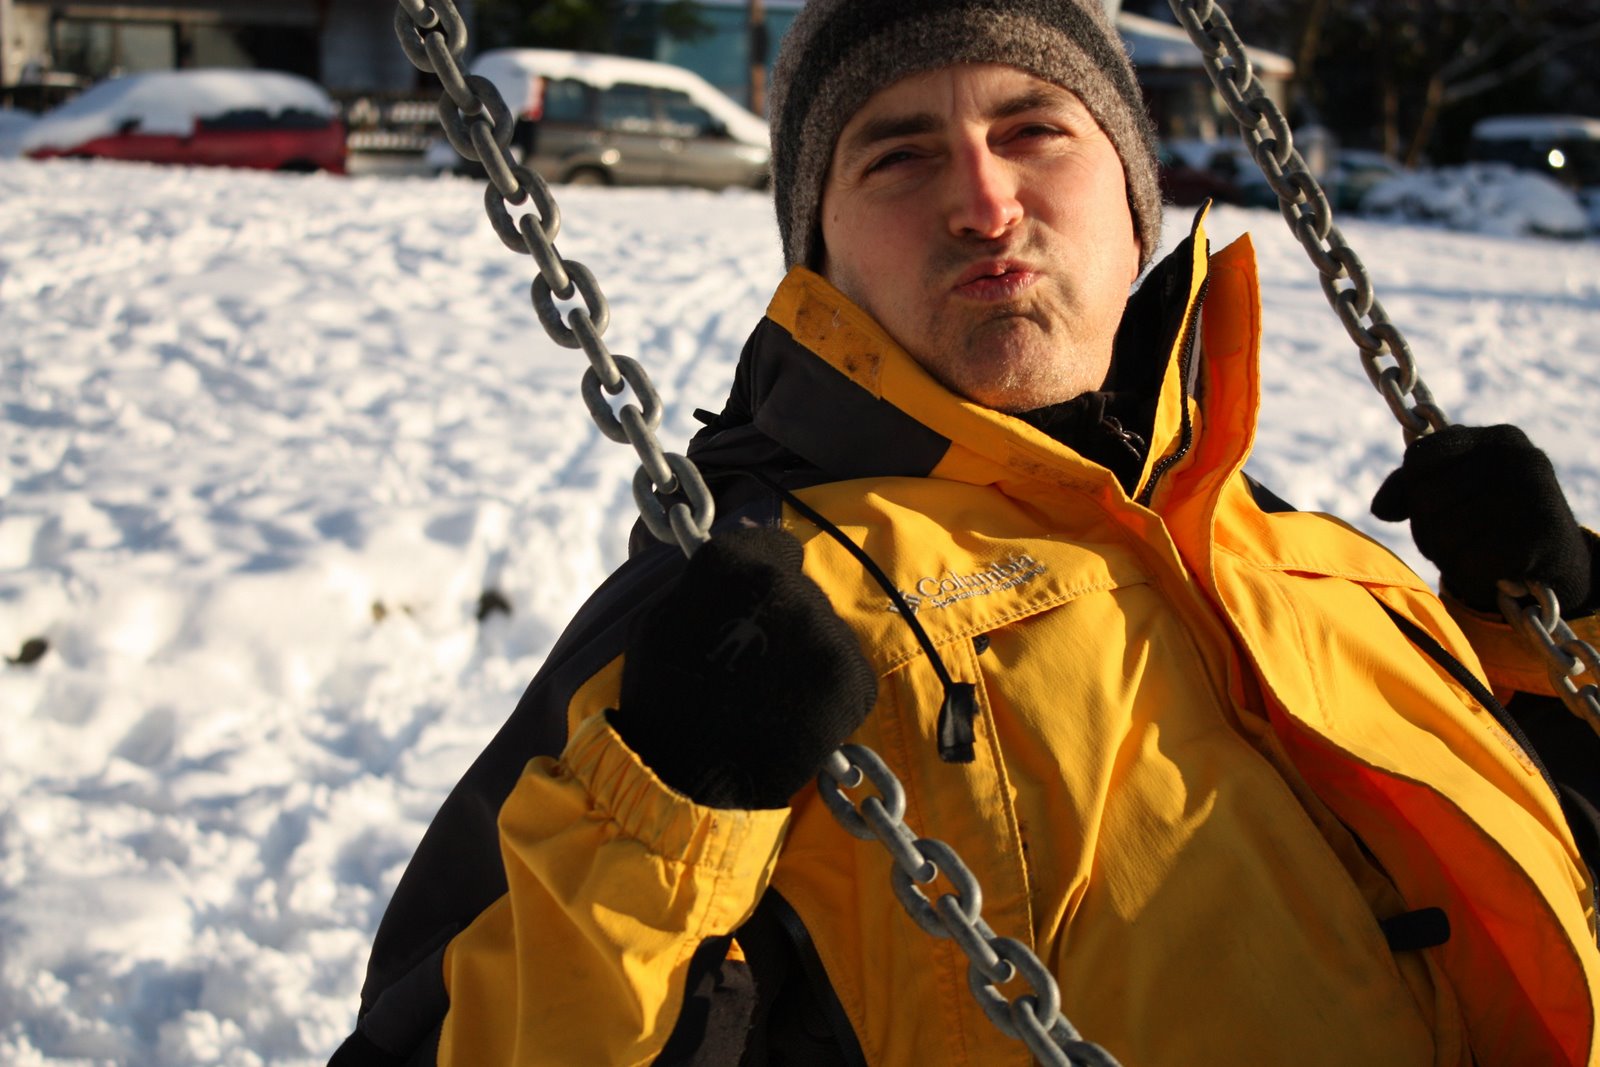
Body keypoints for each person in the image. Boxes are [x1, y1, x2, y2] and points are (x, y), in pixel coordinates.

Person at [333, 1, 1600, 1064]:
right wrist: (657, 821)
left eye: (1031, 129)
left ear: (1134, 199)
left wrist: (1560, 632)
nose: (985, 203)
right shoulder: (748, 617)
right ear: (819, 253)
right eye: (897, 156)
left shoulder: (1295, 550)